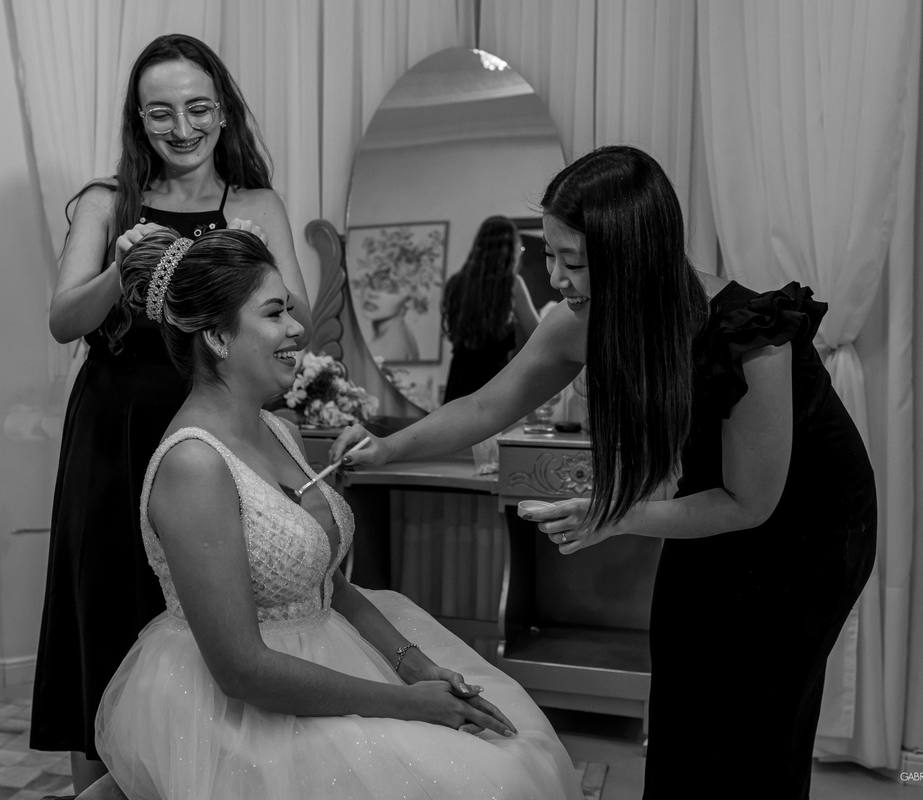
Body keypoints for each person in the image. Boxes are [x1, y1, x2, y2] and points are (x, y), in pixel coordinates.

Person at [332, 145, 877, 800]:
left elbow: (750, 504)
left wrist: (612, 515)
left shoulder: (750, 335)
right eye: (550, 255)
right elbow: (483, 406)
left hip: (806, 532)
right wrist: (388, 448)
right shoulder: (580, 323)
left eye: (574, 262)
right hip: (714, 506)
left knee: (758, 725)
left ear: (634, 256)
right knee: (683, 697)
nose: (555, 278)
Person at [90, 227, 582, 800]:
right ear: (218, 336)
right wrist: (408, 705)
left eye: (290, 310)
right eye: (275, 313)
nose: (296, 328)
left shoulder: (279, 429)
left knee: (510, 754)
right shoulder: (193, 466)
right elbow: (242, 670)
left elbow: (331, 585)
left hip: (333, 661)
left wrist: (412, 664)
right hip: (247, 714)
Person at [31, 33, 313, 793]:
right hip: (117, 430)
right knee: (107, 606)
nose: (182, 127)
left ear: (223, 111)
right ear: (138, 119)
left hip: (218, 430)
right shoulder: (106, 204)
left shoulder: (255, 203)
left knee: (211, 616)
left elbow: (298, 321)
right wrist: (119, 269)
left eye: (197, 108)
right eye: (161, 113)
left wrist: (252, 259)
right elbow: (62, 320)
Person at [441, 216, 540, 402]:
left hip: (458, 383)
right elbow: (538, 335)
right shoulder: (511, 285)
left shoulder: (455, 283)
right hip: (493, 385)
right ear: (510, 251)